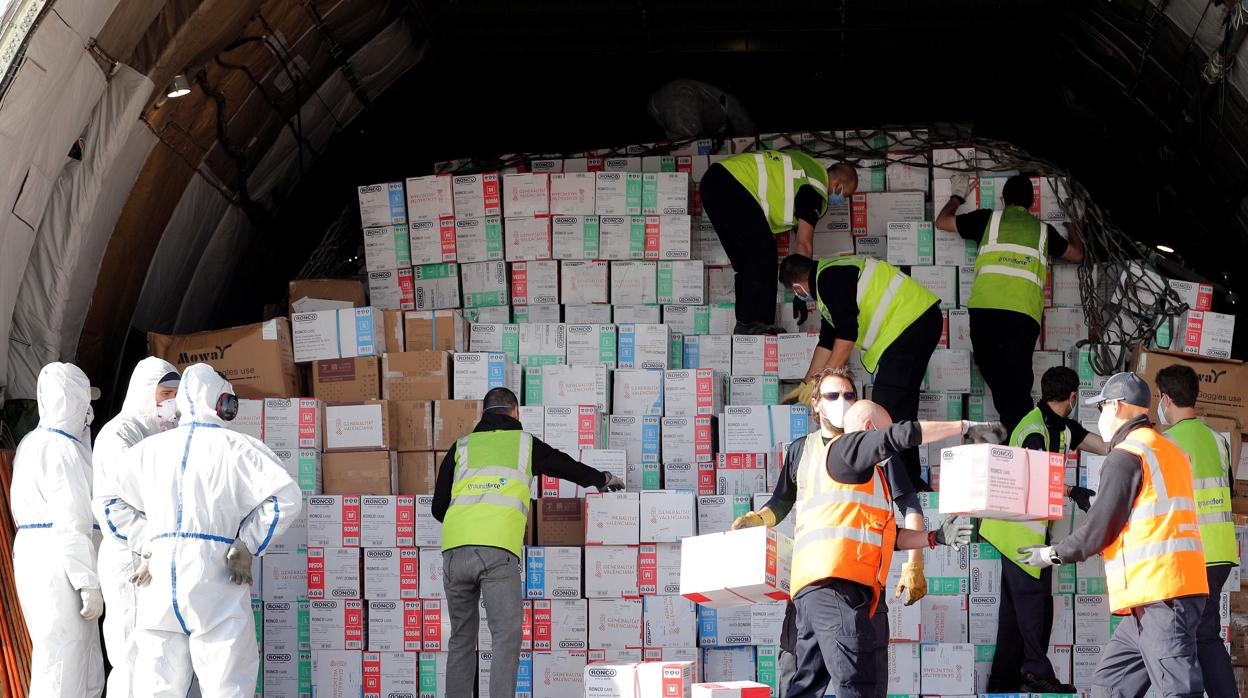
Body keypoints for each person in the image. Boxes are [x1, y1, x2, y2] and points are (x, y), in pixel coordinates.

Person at [732, 367, 938, 698]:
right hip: (810, 586)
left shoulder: (876, 450)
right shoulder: (802, 450)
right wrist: (760, 519)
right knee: (798, 681)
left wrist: (915, 564)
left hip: (859, 586)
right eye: (831, 395)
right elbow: (781, 501)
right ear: (816, 405)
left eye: (848, 395)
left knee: (862, 684)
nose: (841, 401)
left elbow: (910, 505)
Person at [104, 363, 301, 696]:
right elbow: (287, 498)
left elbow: (108, 502)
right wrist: (248, 543)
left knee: (157, 682)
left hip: (161, 581)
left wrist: (146, 541)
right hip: (216, 576)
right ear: (219, 400)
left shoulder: (148, 451)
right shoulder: (237, 447)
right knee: (227, 681)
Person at [1018, 372, 1208, 697]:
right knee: (1109, 684)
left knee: (1177, 691)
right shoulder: (1166, 449)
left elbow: (1099, 531)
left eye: (1102, 406)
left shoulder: (1126, 455)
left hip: (1162, 594)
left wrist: (1050, 553)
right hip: (1154, 596)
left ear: (1117, 406)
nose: (1100, 415)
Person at [432, 387, 625, 698]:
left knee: (461, 638)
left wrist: (466, 525)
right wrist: (600, 479)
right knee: (505, 637)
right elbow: (565, 466)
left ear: (483, 414)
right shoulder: (524, 444)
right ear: (515, 412)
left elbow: (438, 508)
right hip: (496, 552)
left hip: (454, 553)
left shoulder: (461, 446)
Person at [979, 366, 1107, 694]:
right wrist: (1073, 491)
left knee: (1014, 610)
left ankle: (1002, 680)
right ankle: (1035, 673)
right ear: (1073, 397)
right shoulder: (1035, 430)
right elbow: (1035, 477)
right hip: (1018, 532)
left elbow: (1100, 444)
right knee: (1036, 605)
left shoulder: (1059, 426)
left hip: (1019, 531)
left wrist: (1128, 441)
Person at [777, 253, 942, 489]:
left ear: (796, 287)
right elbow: (827, 342)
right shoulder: (828, 285)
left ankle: (906, 488)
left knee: (886, 410)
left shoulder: (829, 280)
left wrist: (825, 386)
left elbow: (846, 337)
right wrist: (807, 385)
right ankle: (912, 485)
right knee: (898, 409)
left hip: (910, 324)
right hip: (916, 323)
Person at [934, 174, 1085, 432]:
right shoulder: (1043, 231)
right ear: (1033, 202)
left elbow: (942, 221)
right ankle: (1023, 435)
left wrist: (957, 196)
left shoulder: (987, 219)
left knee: (999, 378)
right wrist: (1072, 222)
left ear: (1003, 200)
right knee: (1016, 383)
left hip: (985, 313)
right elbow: (1078, 254)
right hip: (1022, 316)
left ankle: (1019, 435)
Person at [9, 362, 105, 698]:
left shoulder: (31, 444)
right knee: (63, 665)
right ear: (73, 401)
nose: (88, 413)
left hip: (39, 557)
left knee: (74, 660)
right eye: (84, 404)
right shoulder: (62, 450)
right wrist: (87, 582)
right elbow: (73, 522)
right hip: (60, 563)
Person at [91, 357, 179, 697]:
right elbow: (111, 505)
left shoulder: (166, 433)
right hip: (130, 558)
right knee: (130, 651)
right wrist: (149, 543)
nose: (171, 402)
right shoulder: (119, 434)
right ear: (146, 392)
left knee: (157, 656)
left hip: (156, 555)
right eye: (166, 393)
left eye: (176, 394)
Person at [700, 148, 859, 334]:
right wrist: (802, 292)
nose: (840, 201)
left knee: (747, 261)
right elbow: (804, 243)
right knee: (763, 251)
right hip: (732, 184)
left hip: (714, 183)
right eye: (844, 196)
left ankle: (746, 323)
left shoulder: (806, 167)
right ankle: (755, 322)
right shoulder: (815, 188)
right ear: (838, 185)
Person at [1155, 364, 1238, 696]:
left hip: (1190, 554)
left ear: (1165, 399)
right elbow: (1226, 490)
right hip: (1219, 552)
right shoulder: (1218, 439)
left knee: (1187, 637)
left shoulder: (1164, 443)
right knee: (1204, 634)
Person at [646, 78, 755, 139]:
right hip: (680, 96)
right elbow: (744, 126)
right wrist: (748, 139)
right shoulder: (729, 102)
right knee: (690, 144)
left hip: (654, 104)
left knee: (681, 144)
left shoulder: (716, 98)